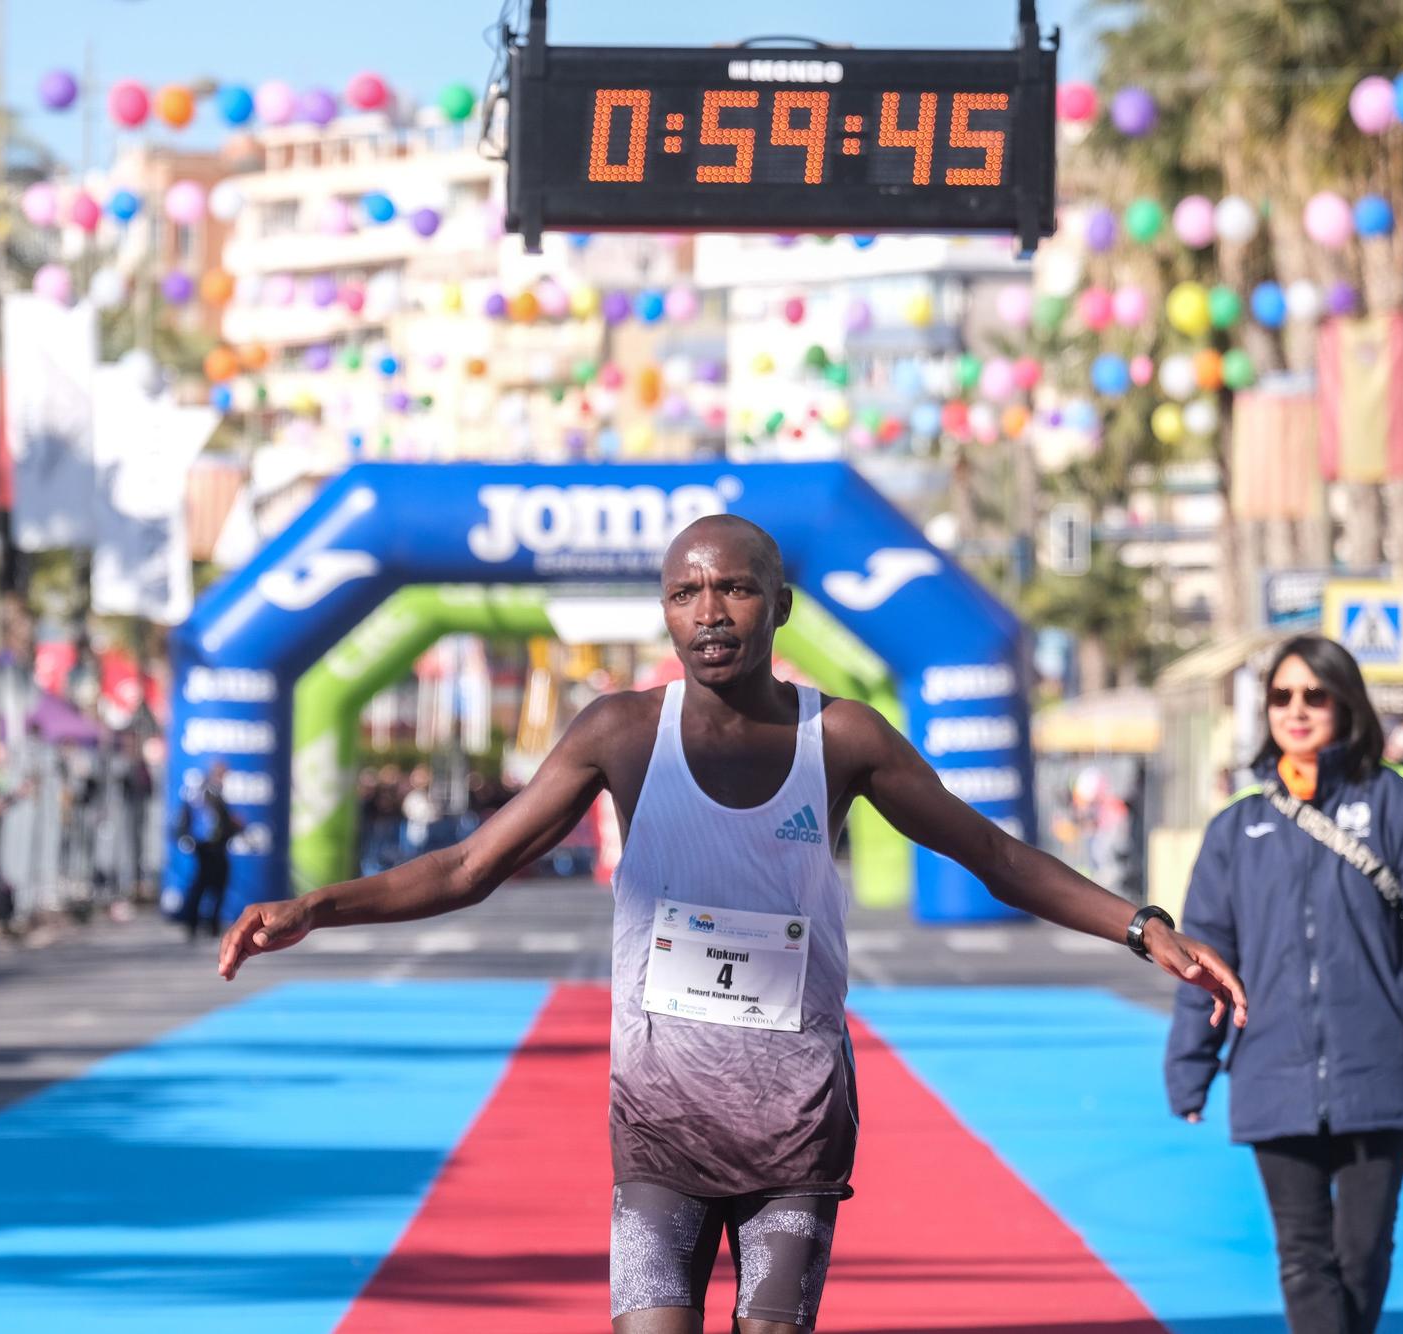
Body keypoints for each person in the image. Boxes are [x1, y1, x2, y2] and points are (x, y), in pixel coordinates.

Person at [222, 515, 1246, 1334]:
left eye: (733, 586)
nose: (708, 610)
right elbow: (468, 863)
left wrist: (1140, 925)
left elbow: (992, 853)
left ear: (779, 605)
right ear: (663, 610)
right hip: (659, 1124)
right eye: (684, 590)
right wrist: (314, 906)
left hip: (796, 1123)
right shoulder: (619, 731)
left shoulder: (838, 734)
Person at [1166, 635, 1403, 1334]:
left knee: (1361, 1253)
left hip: (1383, 1067)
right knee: (1304, 1258)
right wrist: (1190, 1065)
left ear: (1347, 703)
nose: (1297, 710)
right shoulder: (1236, 826)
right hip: (1272, 1069)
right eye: (1282, 696)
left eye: (1315, 694)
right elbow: (1203, 959)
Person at [176, 761, 242, 941]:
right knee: (208, 885)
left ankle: (200, 923)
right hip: (210, 847)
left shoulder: (203, 792)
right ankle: (201, 923)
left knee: (205, 885)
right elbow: (218, 824)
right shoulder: (210, 793)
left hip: (205, 846)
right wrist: (233, 827)